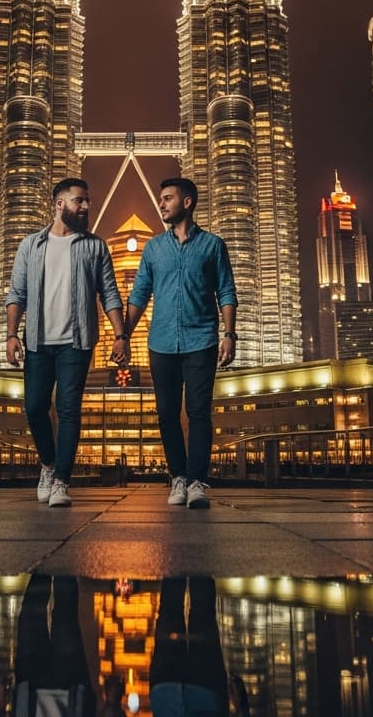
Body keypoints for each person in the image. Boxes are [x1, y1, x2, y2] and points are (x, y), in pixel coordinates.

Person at [6, 177, 129, 507]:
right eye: (79, 201)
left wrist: (121, 336)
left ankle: (61, 480)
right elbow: (17, 294)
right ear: (59, 204)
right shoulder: (30, 245)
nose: (86, 206)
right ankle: (48, 463)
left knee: (69, 409)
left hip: (77, 342)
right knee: (34, 407)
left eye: (88, 201)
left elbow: (110, 294)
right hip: (37, 342)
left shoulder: (95, 246)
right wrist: (11, 335)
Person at [125, 178, 237, 509]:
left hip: (201, 339)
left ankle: (197, 481)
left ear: (187, 202)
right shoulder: (153, 248)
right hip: (160, 343)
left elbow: (226, 292)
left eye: (168, 198)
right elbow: (139, 294)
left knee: (199, 412)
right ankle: (177, 478)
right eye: (160, 199)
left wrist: (229, 334)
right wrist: (123, 336)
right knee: (166, 414)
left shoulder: (213, 246)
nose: (161, 204)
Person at [12, 575, 95, 716]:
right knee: (64, 618)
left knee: (33, 615)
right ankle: (62, 566)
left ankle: (46, 565)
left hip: (32, 689)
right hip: (69, 689)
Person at [149, 577, 229, 715]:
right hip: (173, 695)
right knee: (176, 614)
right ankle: (181, 564)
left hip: (200, 694)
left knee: (200, 616)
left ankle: (185, 564)